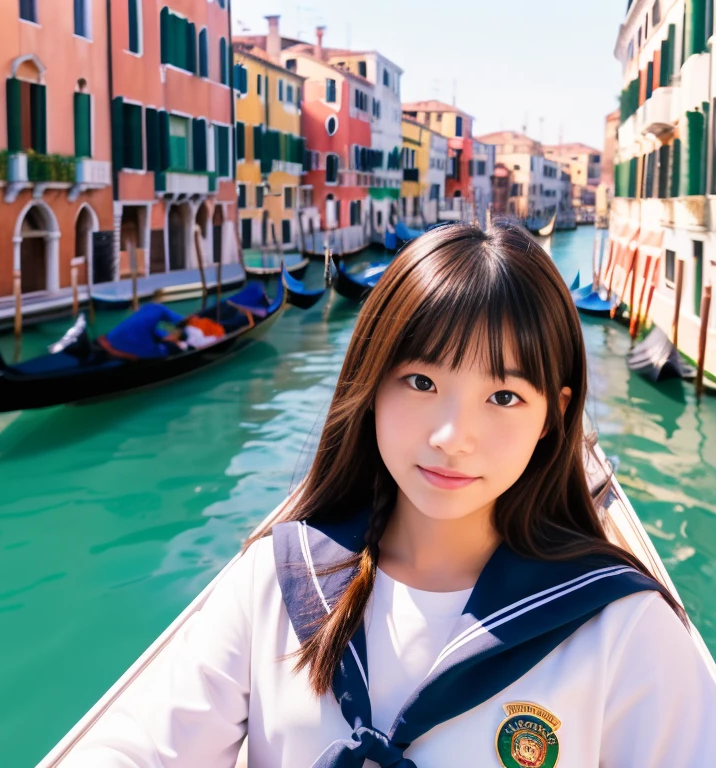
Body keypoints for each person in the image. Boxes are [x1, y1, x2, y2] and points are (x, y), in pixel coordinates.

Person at [63, 223, 716, 767]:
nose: (453, 437)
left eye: (504, 396)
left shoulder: (624, 630)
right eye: (420, 382)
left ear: (553, 415)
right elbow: (138, 748)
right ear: (371, 382)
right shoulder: (276, 581)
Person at [98, 304, 225, 359]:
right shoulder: (158, 312)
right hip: (146, 347)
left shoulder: (150, 311)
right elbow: (179, 327)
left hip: (118, 339)